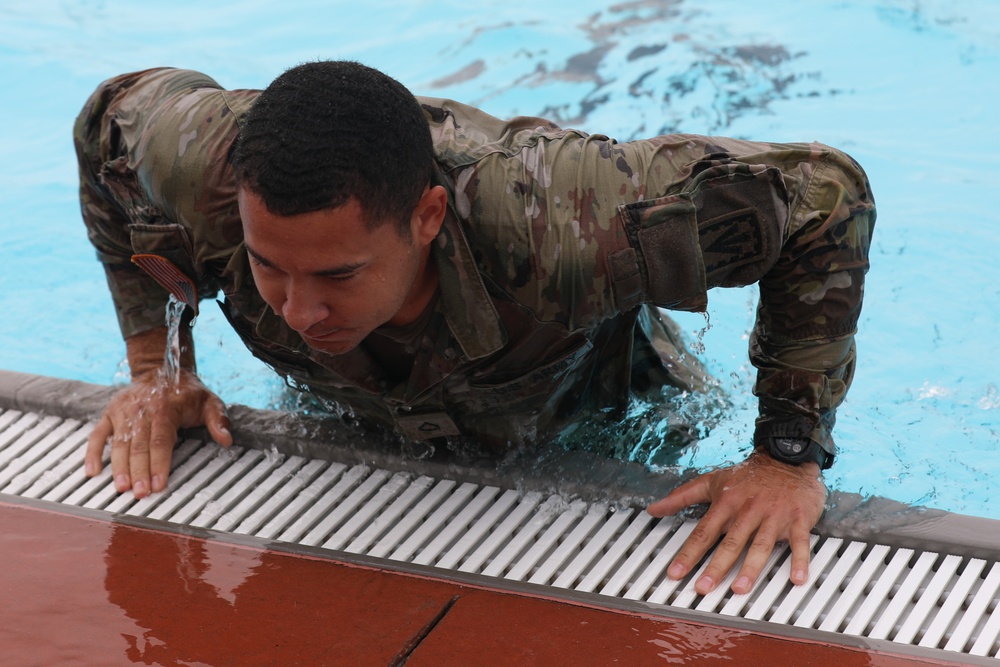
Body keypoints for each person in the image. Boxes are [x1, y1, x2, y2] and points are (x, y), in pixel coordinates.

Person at [74, 61, 875, 596]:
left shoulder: (561, 224)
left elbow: (821, 198)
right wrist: (158, 366)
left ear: (425, 218)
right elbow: (105, 123)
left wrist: (787, 453)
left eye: (339, 274)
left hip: (604, 409)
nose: (298, 309)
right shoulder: (201, 163)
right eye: (268, 264)